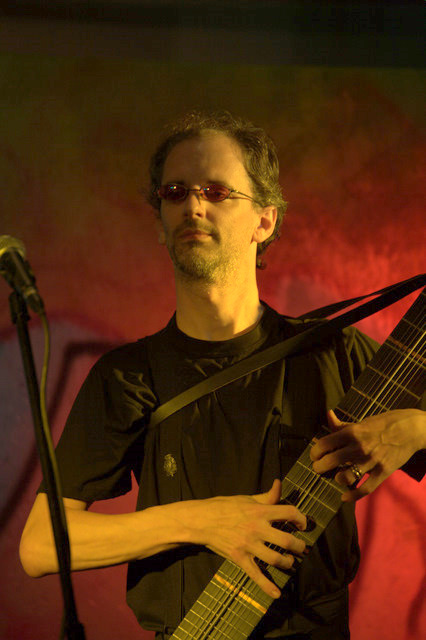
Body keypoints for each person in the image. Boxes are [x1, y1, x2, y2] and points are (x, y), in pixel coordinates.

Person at [19, 111, 425, 639]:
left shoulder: (334, 352)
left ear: (265, 220)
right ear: (161, 224)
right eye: (175, 192)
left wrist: (413, 429)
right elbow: (39, 547)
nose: (193, 205)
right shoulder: (128, 376)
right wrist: (204, 522)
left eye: (216, 190)